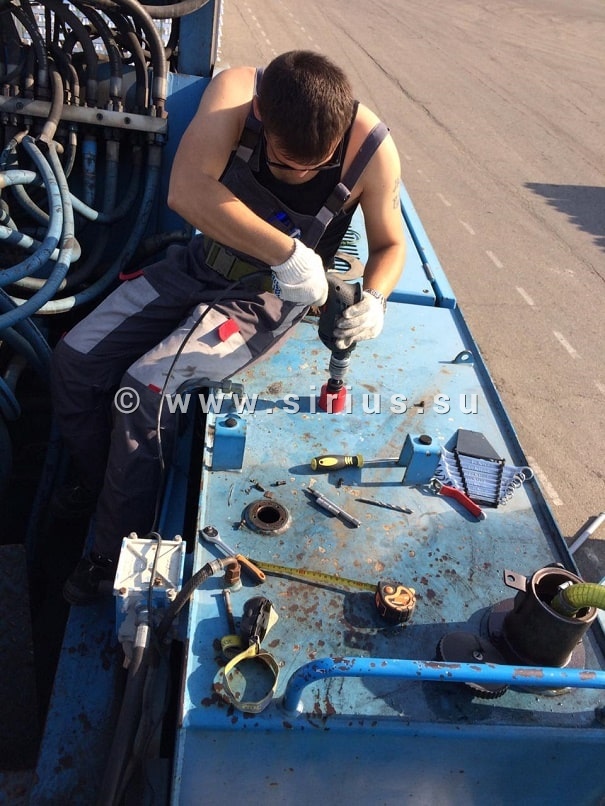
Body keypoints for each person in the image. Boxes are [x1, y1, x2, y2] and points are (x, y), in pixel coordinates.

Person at [51, 50, 406, 605]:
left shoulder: (372, 151)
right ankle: (102, 482)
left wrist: (377, 298)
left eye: (315, 167)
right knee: (74, 358)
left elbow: (389, 244)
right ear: (261, 114)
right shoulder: (238, 94)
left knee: (145, 390)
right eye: (286, 163)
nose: (299, 176)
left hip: (266, 300)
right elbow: (187, 190)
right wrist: (290, 252)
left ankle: (112, 548)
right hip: (196, 266)